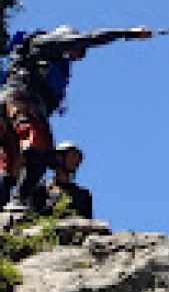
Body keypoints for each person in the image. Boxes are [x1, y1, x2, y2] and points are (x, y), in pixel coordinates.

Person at [0, 24, 152, 207]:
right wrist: (128, 33)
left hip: (12, 106)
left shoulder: (50, 62)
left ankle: (6, 206)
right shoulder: (43, 43)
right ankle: (20, 201)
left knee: (11, 164)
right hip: (19, 100)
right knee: (39, 148)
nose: (77, 54)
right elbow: (89, 38)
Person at [31, 141, 93, 219]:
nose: (76, 161)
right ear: (59, 157)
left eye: (78, 158)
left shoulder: (83, 195)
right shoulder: (42, 189)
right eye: (73, 155)